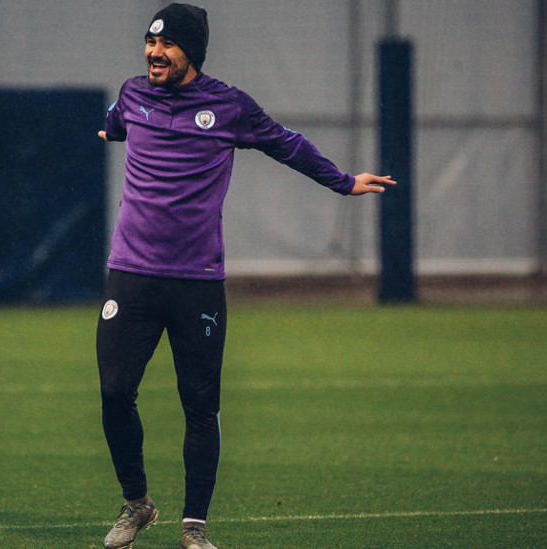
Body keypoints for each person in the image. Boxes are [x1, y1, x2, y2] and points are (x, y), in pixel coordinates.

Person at [96, 4, 395, 548]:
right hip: (130, 275)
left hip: (196, 282)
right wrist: (112, 130)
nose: (153, 53)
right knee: (115, 392)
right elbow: (116, 121)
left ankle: (194, 529)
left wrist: (344, 181)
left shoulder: (229, 106)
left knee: (199, 403)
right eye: (149, 43)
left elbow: (287, 144)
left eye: (166, 45)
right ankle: (137, 503)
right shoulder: (133, 94)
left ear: (192, 51)